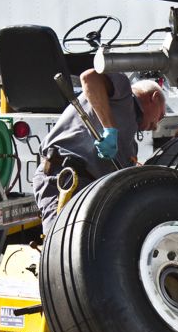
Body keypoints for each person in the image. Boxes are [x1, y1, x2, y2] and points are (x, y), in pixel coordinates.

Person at [33, 69, 166, 235]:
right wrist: (109, 129)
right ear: (153, 98)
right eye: (160, 116)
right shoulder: (123, 90)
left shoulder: (130, 144)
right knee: (59, 246)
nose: (155, 126)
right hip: (63, 178)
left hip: (89, 191)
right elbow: (89, 78)